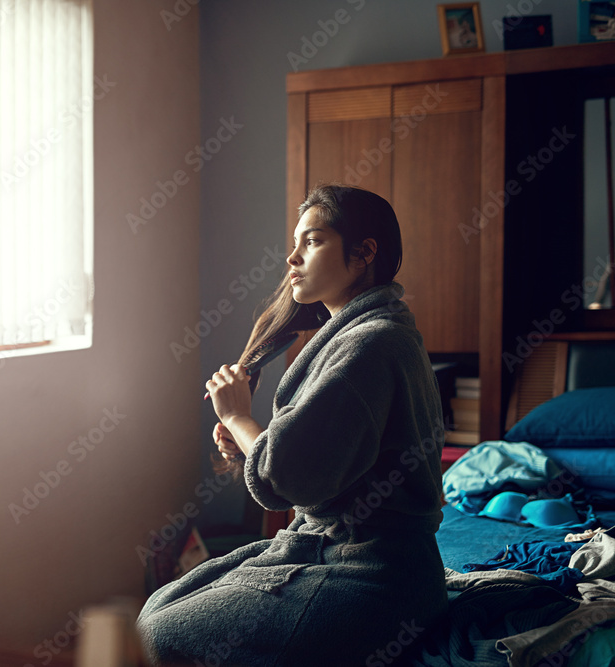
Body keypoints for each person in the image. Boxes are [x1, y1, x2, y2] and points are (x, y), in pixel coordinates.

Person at [136, 185, 448, 666]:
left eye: (313, 241)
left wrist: (239, 417)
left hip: (376, 575)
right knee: (160, 604)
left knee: (161, 633)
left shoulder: (370, 344)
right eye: (296, 242)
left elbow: (291, 479)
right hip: (335, 550)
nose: (292, 257)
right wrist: (248, 446)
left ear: (364, 254)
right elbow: (324, 464)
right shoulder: (360, 333)